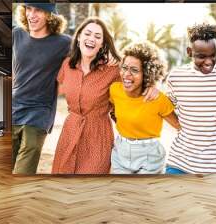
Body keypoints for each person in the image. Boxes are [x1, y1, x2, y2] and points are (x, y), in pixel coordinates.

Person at [51, 17, 159, 174]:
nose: (91, 39)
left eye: (97, 36)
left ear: (102, 43)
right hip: (70, 131)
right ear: (79, 37)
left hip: (98, 136)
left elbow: (137, 78)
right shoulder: (68, 65)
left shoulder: (113, 70)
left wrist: (151, 87)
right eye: (87, 34)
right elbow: (58, 88)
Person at [12, 3, 71, 174]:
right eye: (28, 9)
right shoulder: (17, 34)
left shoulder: (64, 43)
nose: (31, 15)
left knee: (23, 172)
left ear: (50, 15)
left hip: (39, 113)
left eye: (38, 10)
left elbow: (90, 57)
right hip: (14, 110)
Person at [165, 23, 216, 174]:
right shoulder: (176, 76)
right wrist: (178, 125)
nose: (208, 62)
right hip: (179, 163)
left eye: (213, 55)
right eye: (201, 56)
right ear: (189, 52)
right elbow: (165, 108)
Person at [109, 42, 181, 174]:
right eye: (124, 68)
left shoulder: (158, 99)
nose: (126, 75)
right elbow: (113, 110)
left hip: (149, 156)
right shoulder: (114, 90)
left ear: (147, 74)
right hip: (121, 153)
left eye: (134, 70)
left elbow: (180, 126)